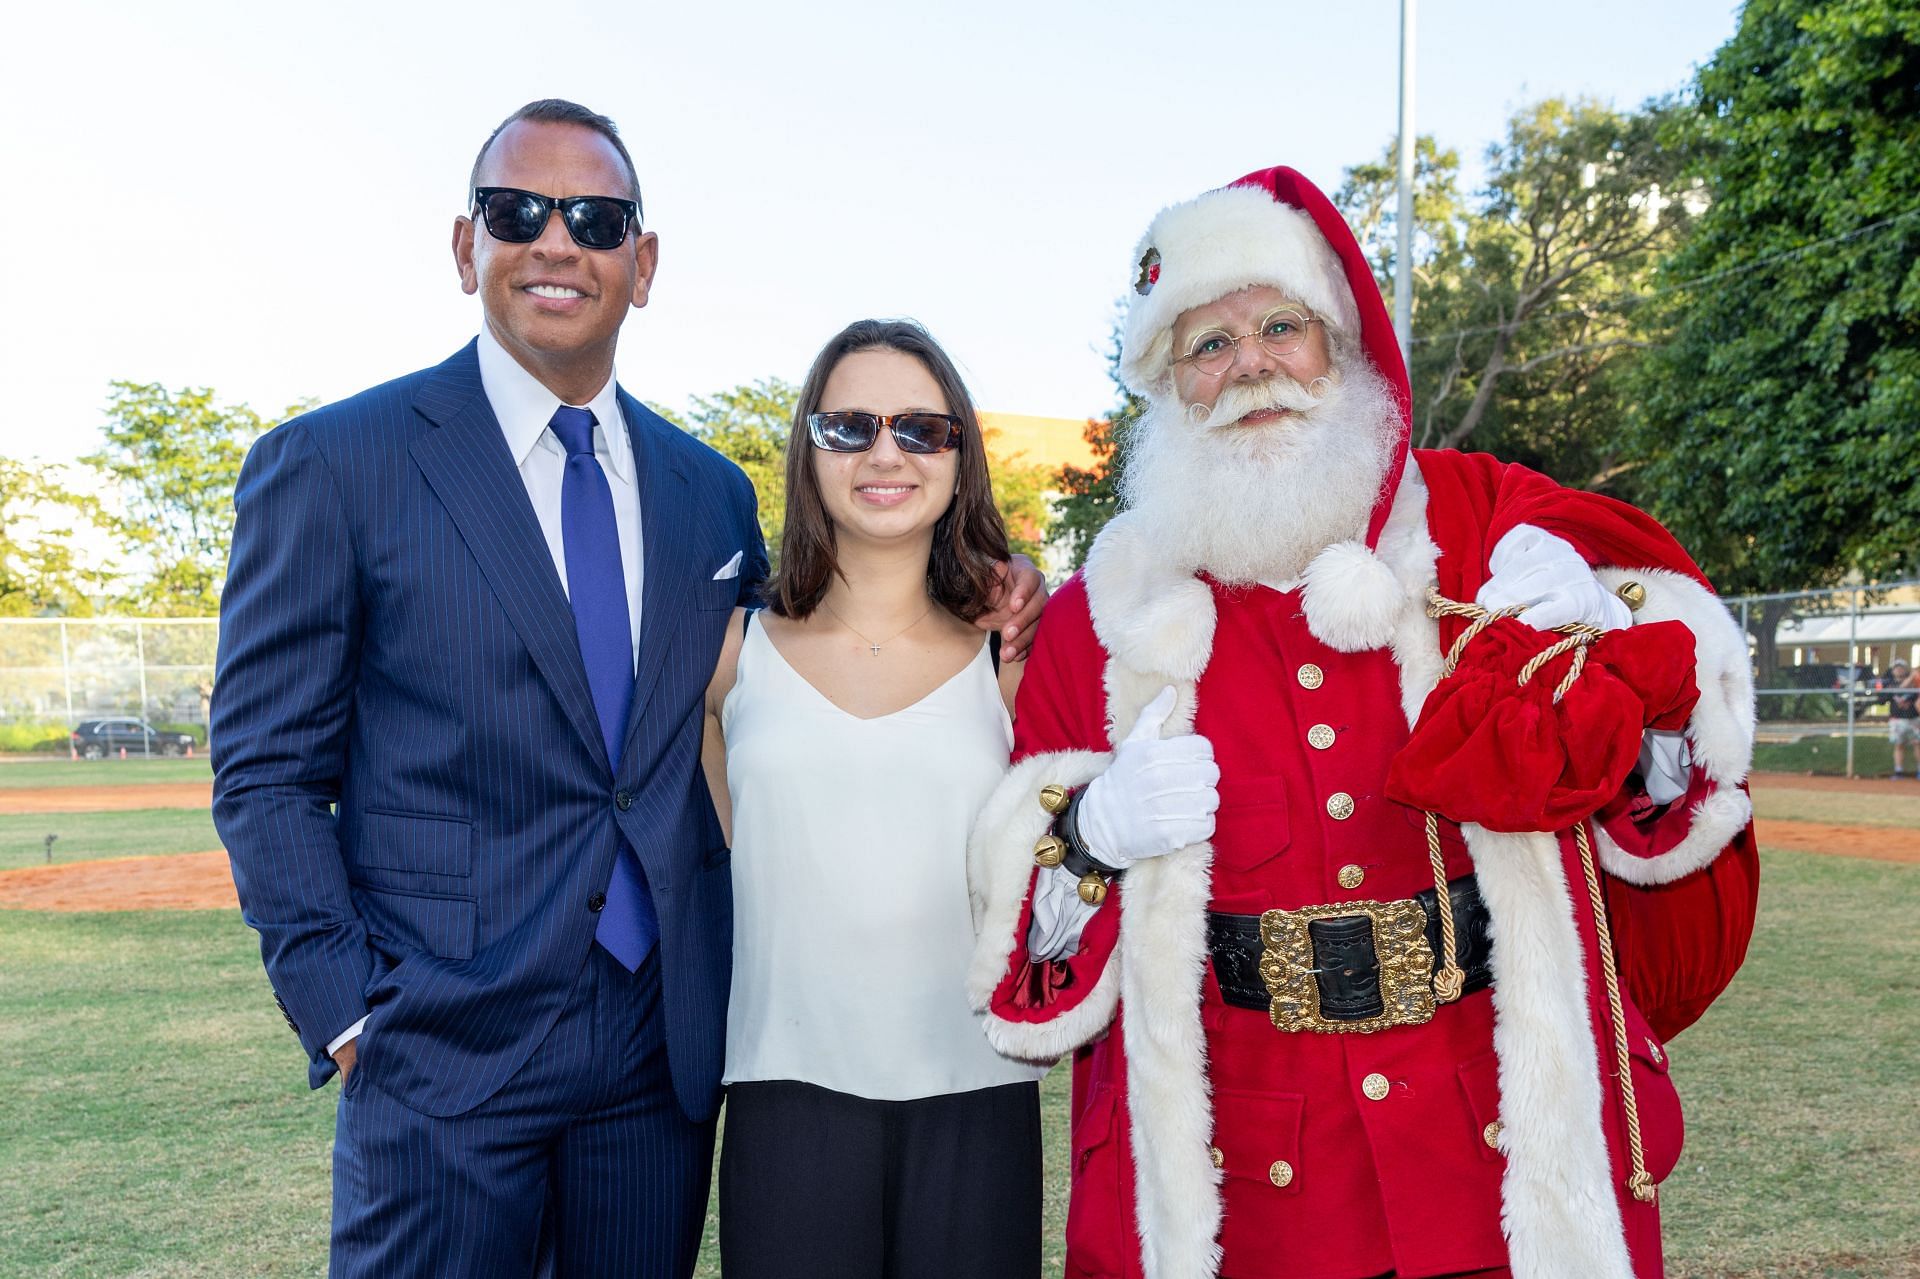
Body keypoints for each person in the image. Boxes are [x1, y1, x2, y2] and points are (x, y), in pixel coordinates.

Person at [211, 100, 1045, 1279]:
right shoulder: (337, 463)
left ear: (641, 264)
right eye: (519, 211)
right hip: (441, 1053)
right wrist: (346, 1013)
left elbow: (820, 632)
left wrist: (1006, 585)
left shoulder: (705, 491)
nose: (559, 242)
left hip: (657, 1062)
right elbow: (264, 771)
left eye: (596, 219)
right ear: (468, 246)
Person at [967, 168, 1762, 1279]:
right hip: (1254, 1175)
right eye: (1208, 344)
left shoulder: (1480, 518)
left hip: (1490, 1137)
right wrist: (1094, 834)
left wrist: (1605, 618)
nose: (1249, 365)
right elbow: (1023, 890)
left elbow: (1674, 705)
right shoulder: (1110, 607)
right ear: (1168, 385)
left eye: (1280, 326)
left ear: (1338, 343)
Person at [702, 319, 1049, 1278]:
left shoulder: (1016, 655)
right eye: (849, 426)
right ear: (809, 451)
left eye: (921, 429)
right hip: (783, 1092)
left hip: (977, 1091)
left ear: (958, 454)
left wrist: (1033, 588)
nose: (886, 452)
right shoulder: (731, 656)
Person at [1884, 658, 1919, 776]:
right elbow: (1899, 689)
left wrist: (1915, 676)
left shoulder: (1915, 683)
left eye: (1901, 667)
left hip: (1914, 719)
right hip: (1897, 720)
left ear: (1906, 670)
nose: (1898, 670)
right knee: (1899, 745)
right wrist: (1911, 677)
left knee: (1917, 744)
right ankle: (1898, 770)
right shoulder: (1890, 684)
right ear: (1892, 670)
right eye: (1896, 667)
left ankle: (1919, 770)